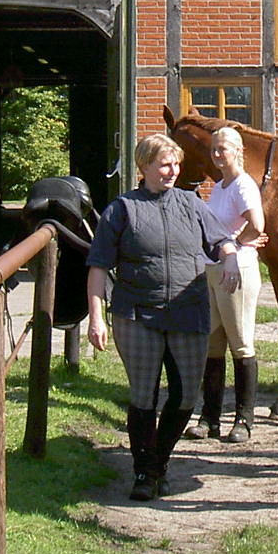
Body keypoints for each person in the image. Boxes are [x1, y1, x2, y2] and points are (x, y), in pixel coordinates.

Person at [86, 133, 241, 502]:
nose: (172, 171)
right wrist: (96, 317)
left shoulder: (191, 203)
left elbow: (220, 240)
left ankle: (160, 461)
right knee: (144, 395)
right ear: (144, 167)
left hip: (188, 314)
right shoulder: (123, 209)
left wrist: (231, 256)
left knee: (187, 396)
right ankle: (144, 471)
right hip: (137, 314)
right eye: (164, 164)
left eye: (176, 164)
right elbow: (97, 266)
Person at [185, 126, 266, 443]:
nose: (217, 154)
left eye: (223, 149)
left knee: (241, 343)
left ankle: (244, 420)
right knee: (213, 344)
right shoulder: (219, 187)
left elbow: (257, 225)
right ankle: (210, 418)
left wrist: (234, 246)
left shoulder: (243, 186)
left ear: (238, 151)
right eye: (214, 149)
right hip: (214, 272)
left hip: (237, 272)